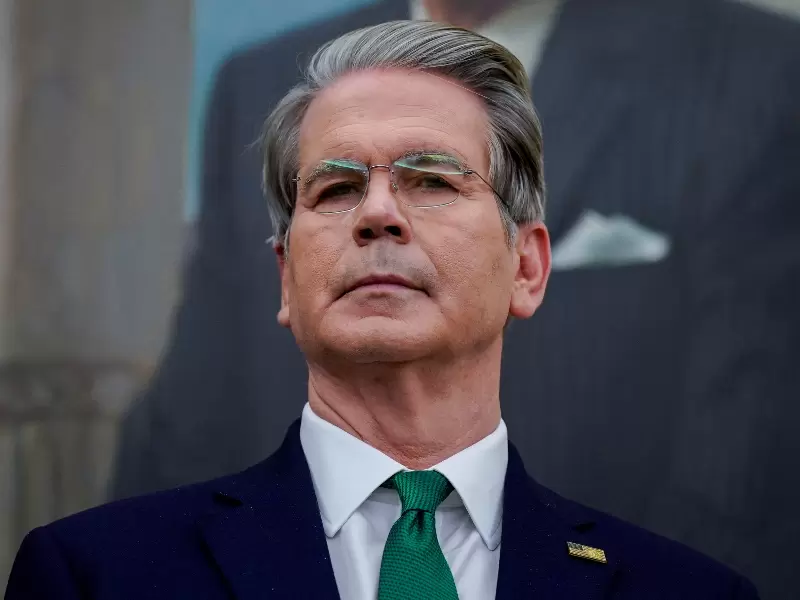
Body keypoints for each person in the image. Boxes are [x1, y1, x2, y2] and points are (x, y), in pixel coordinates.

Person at [6, 22, 761, 599]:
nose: (376, 213)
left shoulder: (690, 593)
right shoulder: (94, 576)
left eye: (431, 180)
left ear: (527, 267)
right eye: (335, 189)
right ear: (285, 277)